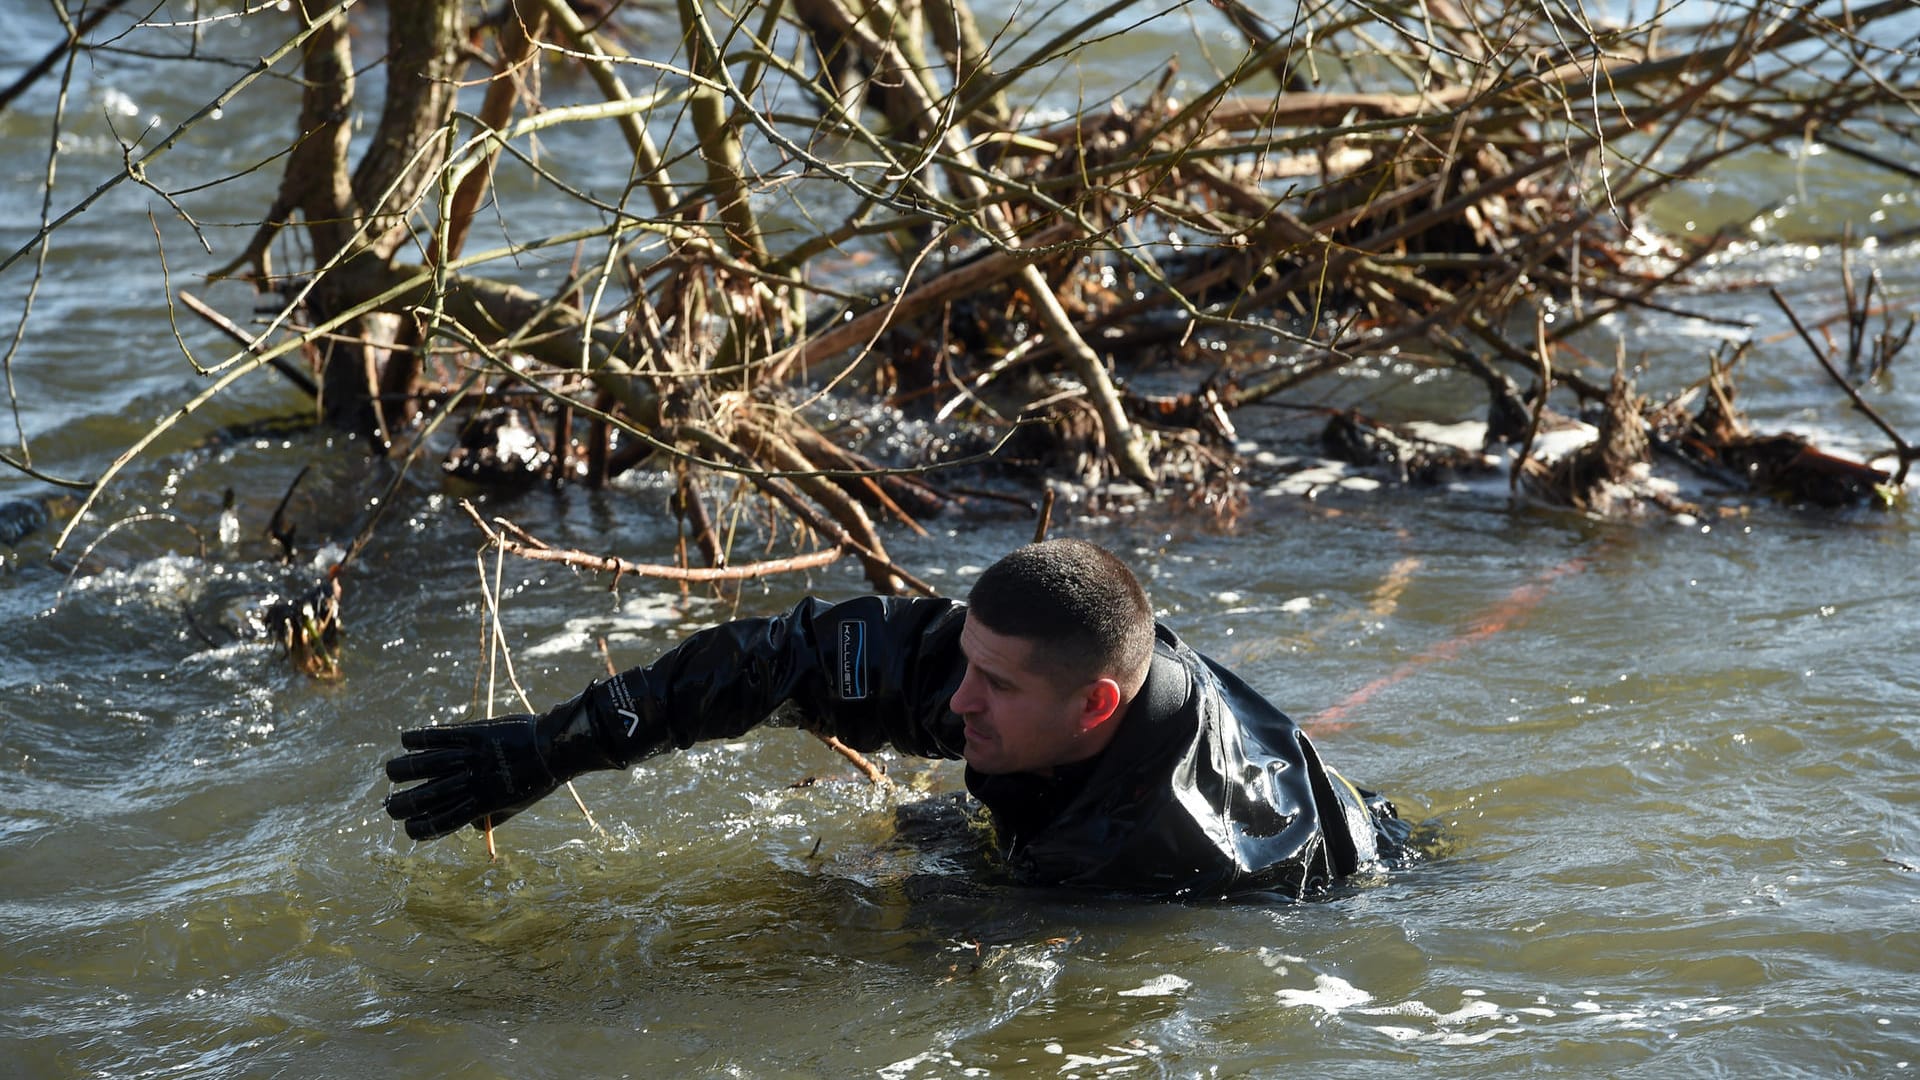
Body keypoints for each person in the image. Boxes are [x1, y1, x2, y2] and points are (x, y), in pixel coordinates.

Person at [382, 539, 1407, 899]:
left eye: (996, 690)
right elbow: (782, 658)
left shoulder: (1145, 856)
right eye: (965, 663)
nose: (957, 703)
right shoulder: (1002, 662)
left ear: (1097, 702)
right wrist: (562, 743)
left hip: (1290, 878)